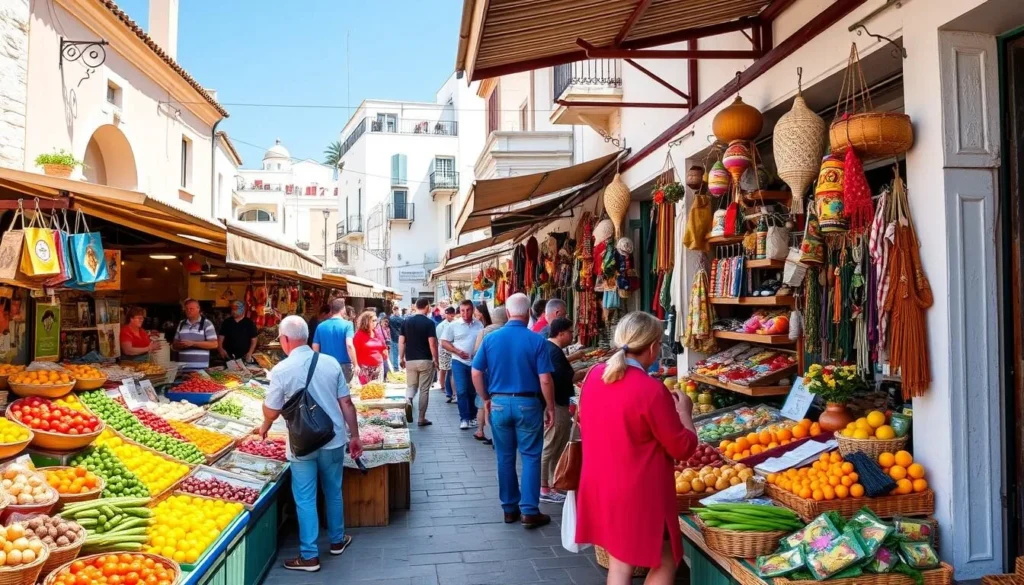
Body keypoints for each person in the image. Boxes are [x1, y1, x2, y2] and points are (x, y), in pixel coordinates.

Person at [576, 312, 698, 584]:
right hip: (640, 493)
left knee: (620, 563)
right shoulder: (652, 390)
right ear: (654, 347)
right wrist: (685, 413)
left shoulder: (595, 375)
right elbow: (682, 448)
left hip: (601, 485)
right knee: (666, 560)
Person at [258, 316, 361, 572]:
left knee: (305, 498)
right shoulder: (330, 362)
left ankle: (309, 555)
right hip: (333, 438)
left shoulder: (281, 369)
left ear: (285, 339)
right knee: (333, 491)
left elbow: (271, 410)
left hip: (301, 443)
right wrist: (355, 435)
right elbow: (346, 403)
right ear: (306, 336)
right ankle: (337, 541)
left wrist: (265, 425)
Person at [471, 293, 555, 528]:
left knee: (504, 457)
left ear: (508, 313)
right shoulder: (536, 340)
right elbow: (545, 379)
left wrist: (485, 398)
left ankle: (509, 508)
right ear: (528, 313)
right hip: (528, 404)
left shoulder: (491, 339)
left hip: (498, 403)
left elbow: (476, 372)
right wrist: (550, 407)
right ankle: (529, 510)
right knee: (530, 456)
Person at [540, 317, 575, 503]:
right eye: (570, 332)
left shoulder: (552, 349)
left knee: (557, 445)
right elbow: (554, 379)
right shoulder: (553, 351)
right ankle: (544, 487)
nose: (572, 335)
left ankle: (553, 483)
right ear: (561, 333)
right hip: (556, 404)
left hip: (556, 403)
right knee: (551, 444)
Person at [442, 300, 484, 430]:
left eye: (468, 310)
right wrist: (457, 351)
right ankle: (464, 418)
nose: (465, 313)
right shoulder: (453, 325)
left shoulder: (479, 325)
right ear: (459, 312)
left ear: (472, 310)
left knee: (472, 390)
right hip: (459, 361)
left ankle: (472, 417)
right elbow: (444, 342)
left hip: (475, 362)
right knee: (461, 390)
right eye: (462, 310)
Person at [399, 297, 438, 426]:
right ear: (427, 307)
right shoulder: (429, 323)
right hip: (425, 360)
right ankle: (421, 418)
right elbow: (432, 343)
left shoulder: (406, 322)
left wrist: (401, 357)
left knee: (411, 386)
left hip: (410, 360)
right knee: (424, 390)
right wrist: (435, 359)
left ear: (415, 306)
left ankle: (409, 400)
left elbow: (401, 341)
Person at [313, 299, 359, 383]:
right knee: (344, 392)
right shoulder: (348, 325)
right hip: (344, 365)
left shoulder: (320, 326)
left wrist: (317, 364)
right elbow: (349, 345)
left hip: (326, 365)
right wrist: (356, 364)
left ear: (331, 310)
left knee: (328, 391)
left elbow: (315, 347)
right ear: (343, 309)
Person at [471, 303, 497, 444]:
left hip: (486, 371)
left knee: (483, 401)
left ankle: (483, 431)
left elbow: (476, 354)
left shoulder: (485, 332)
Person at [172, 299, 218, 371]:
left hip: (201, 369)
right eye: (187, 309)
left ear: (198, 309)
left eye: (191, 309)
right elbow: (174, 345)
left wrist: (193, 343)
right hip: (183, 369)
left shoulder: (207, 324)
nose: (188, 311)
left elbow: (214, 344)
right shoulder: (181, 324)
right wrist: (180, 345)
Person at [353, 312, 387, 383]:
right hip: (365, 368)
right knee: (367, 391)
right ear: (366, 321)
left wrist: (385, 354)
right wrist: (356, 365)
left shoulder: (377, 333)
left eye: (376, 320)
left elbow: (383, 346)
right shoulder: (359, 335)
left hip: (378, 367)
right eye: (373, 321)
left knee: (378, 391)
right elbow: (354, 351)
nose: (376, 322)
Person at [435, 307, 456, 403]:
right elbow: (439, 339)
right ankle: (443, 387)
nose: (452, 317)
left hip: (453, 350)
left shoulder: (455, 323)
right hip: (444, 350)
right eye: (450, 315)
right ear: (446, 315)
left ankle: (448, 391)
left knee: (450, 371)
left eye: (453, 315)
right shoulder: (441, 326)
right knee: (444, 369)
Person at [375, 312, 392, 379]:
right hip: (381, 349)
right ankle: (384, 376)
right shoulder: (378, 329)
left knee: (385, 362)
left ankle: (384, 376)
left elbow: (387, 338)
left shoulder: (384, 329)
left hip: (384, 348)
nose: (386, 324)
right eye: (384, 322)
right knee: (384, 363)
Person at [387, 306, 403, 371]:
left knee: (394, 353)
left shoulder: (390, 319)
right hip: (401, 337)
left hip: (393, 337)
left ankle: (396, 367)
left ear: (393, 310)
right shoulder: (402, 319)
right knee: (402, 353)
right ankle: (402, 365)